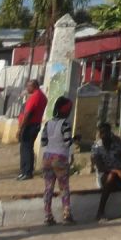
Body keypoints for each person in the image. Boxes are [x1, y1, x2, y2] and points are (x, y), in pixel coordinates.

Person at [39, 95, 75, 225]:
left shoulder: (48, 123)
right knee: (64, 188)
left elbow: (43, 142)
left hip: (47, 157)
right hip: (60, 158)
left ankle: (48, 216)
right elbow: (67, 143)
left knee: (48, 188)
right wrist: (74, 139)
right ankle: (67, 214)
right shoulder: (65, 124)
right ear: (66, 110)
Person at [90, 122, 121, 220]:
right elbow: (100, 167)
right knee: (111, 176)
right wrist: (116, 171)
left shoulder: (117, 143)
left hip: (120, 175)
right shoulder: (97, 147)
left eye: (106, 132)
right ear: (99, 134)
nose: (104, 135)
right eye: (102, 133)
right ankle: (100, 212)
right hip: (104, 176)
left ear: (110, 133)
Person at [16, 79, 46, 180]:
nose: (27, 88)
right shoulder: (41, 96)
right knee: (27, 147)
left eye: (29, 86)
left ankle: (27, 172)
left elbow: (27, 114)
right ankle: (25, 171)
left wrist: (20, 128)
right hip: (35, 125)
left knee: (26, 148)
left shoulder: (35, 97)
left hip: (29, 125)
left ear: (35, 86)